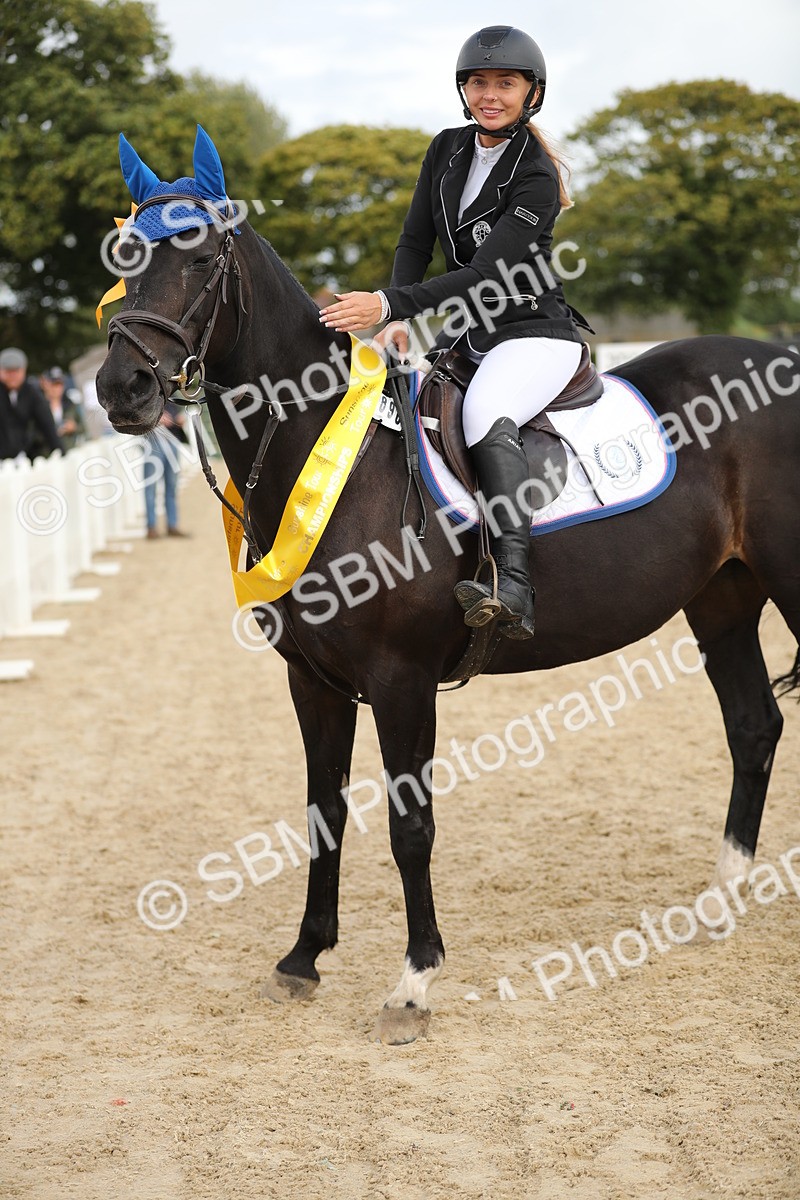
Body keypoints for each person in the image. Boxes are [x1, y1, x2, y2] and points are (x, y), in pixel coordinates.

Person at [319, 26, 591, 640]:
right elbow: (416, 239)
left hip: (534, 334)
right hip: (474, 335)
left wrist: (387, 302)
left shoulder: (537, 177)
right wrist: (395, 320)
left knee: (485, 412)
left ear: (532, 93)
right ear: (463, 90)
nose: (489, 94)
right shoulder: (445, 149)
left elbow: (484, 273)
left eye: (505, 83)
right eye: (478, 82)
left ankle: (511, 583)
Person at [0, 347, 63, 461]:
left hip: (28, 456)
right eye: (8, 372)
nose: (12, 376)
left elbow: (47, 424)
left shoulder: (32, 393)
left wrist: (59, 451)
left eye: (16, 371)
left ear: (24, 370)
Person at [143, 400, 190, 539]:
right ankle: (151, 527)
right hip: (153, 442)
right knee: (150, 488)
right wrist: (156, 419)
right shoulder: (146, 392)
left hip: (172, 440)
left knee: (172, 486)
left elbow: (179, 413)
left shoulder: (172, 396)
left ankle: (172, 525)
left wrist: (181, 419)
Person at [39, 366, 85, 451]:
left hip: (69, 452)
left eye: (60, 384)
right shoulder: (38, 407)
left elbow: (83, 428)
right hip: (47, 455)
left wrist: (74, 427)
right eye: (54, 384)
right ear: (45, 384)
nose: (57, 388)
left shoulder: (71, 405)